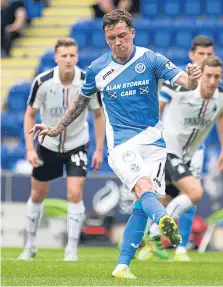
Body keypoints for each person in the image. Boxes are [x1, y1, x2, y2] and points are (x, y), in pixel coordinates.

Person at [29, 9, 202, 279]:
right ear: (106, 38)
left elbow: (186, 83)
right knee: (144, 187)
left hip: (155, 143)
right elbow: (80, 103)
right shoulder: (98, 69)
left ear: (132, 33)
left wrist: (192, 77)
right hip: (121, 144)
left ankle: (122, 266)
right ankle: (163, 220)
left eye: (122, 35)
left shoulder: (151, 59)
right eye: (111, 38)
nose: (117, 42)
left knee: (140, 204)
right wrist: (56, 128)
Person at [143, 55, 223, 261]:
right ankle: (154, 234)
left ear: (221, 77)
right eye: (209, 76)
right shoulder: (179, 89)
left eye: (217, 77)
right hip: (167, 151)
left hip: (187, 157)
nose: (212, 81)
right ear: (202, 75)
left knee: (166, 200)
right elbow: (156, 110)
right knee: (195, 193)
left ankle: (145, 239)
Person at [139, 35, 223, 262]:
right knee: (163, 196)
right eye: (201, 54)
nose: (205, 58)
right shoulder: (178, 80)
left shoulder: (216, 85)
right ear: (192, 55)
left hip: (195, 150)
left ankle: (181, 247)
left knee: (192, 194)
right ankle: (153, 241)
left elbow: (222, 116)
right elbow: (159, 107)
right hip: (169, 146)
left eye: (209, 54)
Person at [17, 38, 105, 261]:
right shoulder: (43, 82)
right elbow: (29, 114)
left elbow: (98, 114)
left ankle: (71, 249)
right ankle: (30, 246)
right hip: (47, 145)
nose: (68, 60)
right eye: (64, 56)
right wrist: (29, 149)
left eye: (72, 55)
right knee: (37, 195)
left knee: (75, 194)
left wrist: (98, 149)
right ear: (56, 58)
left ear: (77, 57)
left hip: (78, 144)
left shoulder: (88, 81)